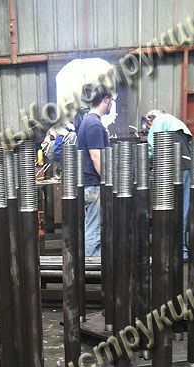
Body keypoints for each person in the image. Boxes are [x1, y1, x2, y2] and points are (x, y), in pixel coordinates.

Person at [145, 109, 193, 260]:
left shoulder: (159, 120)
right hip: (186, 167)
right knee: (183, 209)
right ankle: (182, 251)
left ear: (150, 120)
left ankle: (165, 249)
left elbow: (153, 146)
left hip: (171, 167)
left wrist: (145, 159)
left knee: (165, 207)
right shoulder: (177, 123)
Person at [77, 85, 113, 256]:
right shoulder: (94, 124)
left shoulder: (88, 121)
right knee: (94, 230)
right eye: (111, 100)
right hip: (93, 185)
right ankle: (92, 267)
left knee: (91, 228)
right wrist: (109, 182)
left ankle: (90, 264)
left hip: (88, 184)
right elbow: (96, 157)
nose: (111, 104)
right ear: (106, 99)